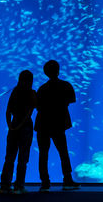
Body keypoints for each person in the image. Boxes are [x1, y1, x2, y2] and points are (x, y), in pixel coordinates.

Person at [35, 60, 79, 192]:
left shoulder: (42, 89)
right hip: (58, 123)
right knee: (63, 152)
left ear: (45, 73)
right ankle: (67, 180)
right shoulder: (66, 85)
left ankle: (45, 182)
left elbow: (37, 106)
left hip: (43, 123)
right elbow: (72, 100)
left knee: (43, 154)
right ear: (58, 70)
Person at [0, 70, 37, 194]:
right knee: (23, 158)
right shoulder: (32, 93)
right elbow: (29, 113)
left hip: (13, 125)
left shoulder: (15, 92)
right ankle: (19, 186)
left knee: (9, 157)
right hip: (25, 127)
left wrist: (10, 125)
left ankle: (4, 186)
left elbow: (8, 110)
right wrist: (19, 125)